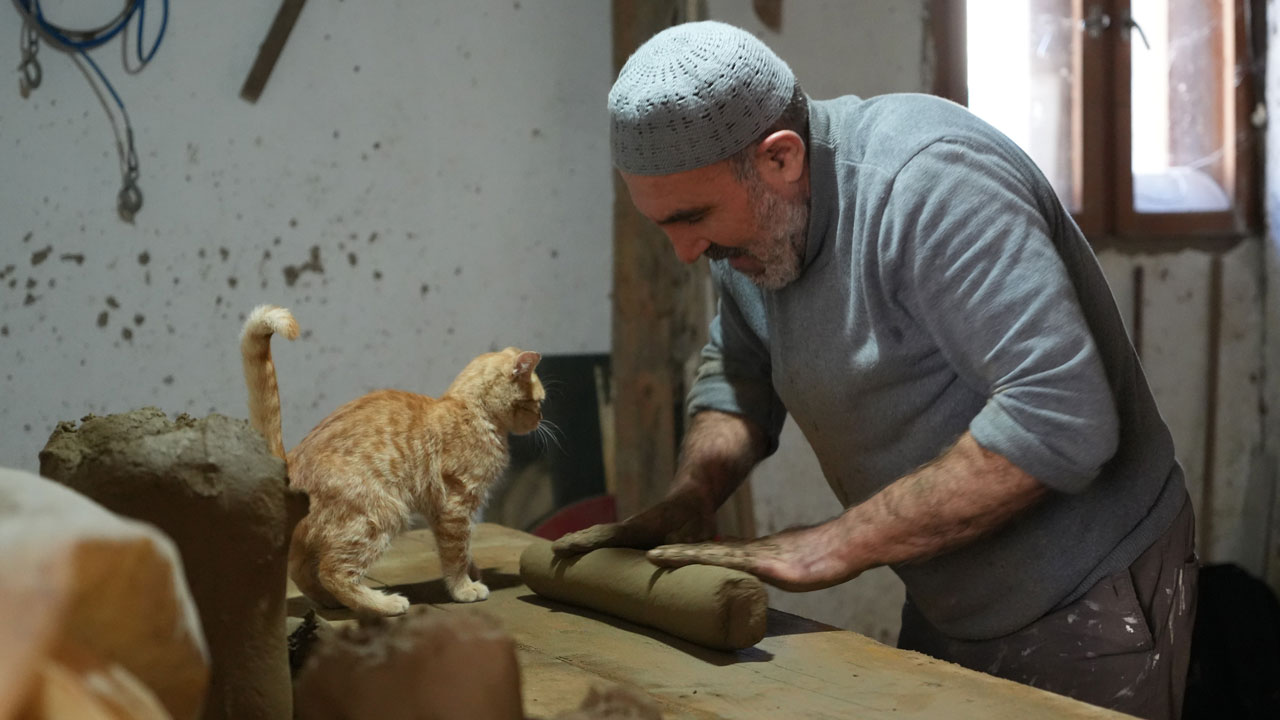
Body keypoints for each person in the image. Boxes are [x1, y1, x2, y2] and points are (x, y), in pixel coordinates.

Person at [552, 20, 1198, 720]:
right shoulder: (749, 235)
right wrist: (690, 499)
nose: (684, 251)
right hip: (943, 589)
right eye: (663, 226)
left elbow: (1061, 417)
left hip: (1087, 591)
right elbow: (739, 370)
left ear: (780, 159)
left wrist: (830, 547)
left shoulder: (928, 184)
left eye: (694, 216)